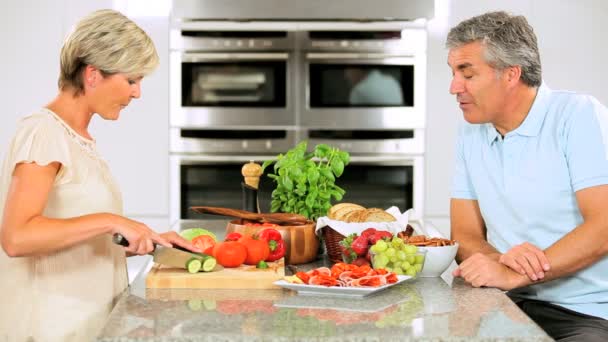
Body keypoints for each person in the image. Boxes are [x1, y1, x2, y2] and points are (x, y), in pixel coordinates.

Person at [0, 9, 201, 342]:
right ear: (92, 75)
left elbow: (68, 239)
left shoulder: (77, 140)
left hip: (84, 326)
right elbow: (16, 237)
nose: (137, 93)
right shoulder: (43, 132)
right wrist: (111, 221)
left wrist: (146, 238)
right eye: (131, 80)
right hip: (48, 330)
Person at [446, 11, 608, 341]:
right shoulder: (471, 133)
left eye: (467, 73)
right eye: (453, 73)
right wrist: (497, 263)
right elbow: (463, 233)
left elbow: (604, 225)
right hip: (504, 302)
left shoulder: (577, 116)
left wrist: (515, 273)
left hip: (587, 312)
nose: (454, 87)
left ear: (510, 74)